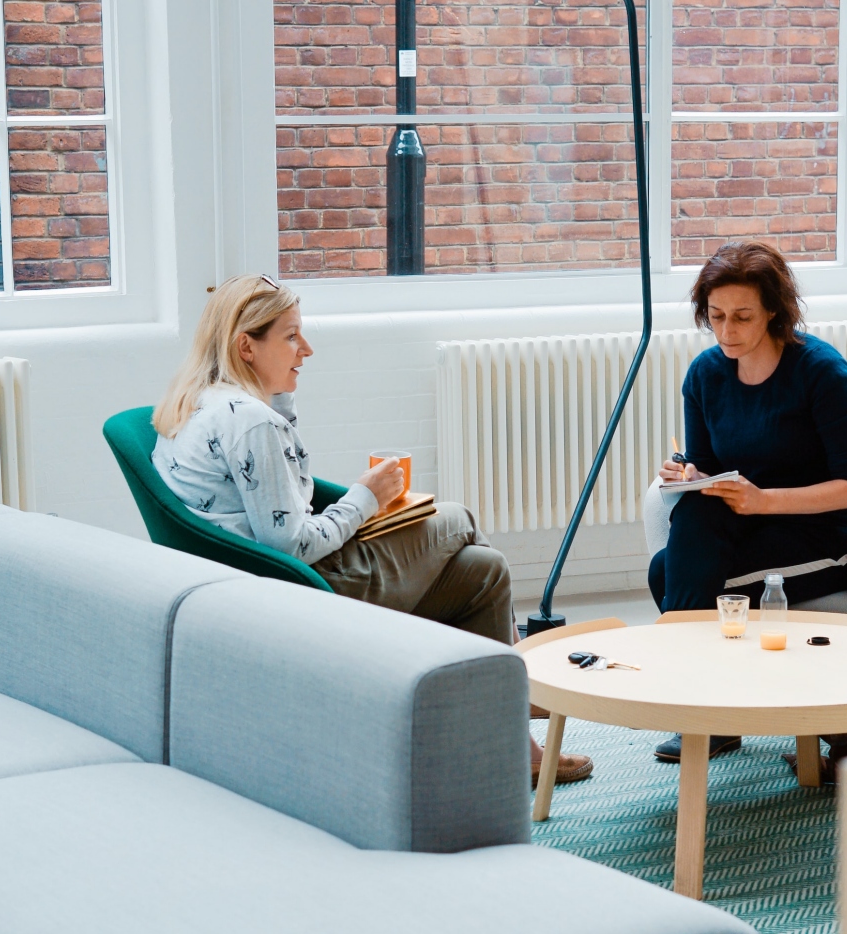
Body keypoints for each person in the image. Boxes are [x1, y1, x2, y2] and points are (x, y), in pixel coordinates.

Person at [152, 274, 592, 787]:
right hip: (307, 588)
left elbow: (280, 503)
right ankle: (523, 687)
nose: (307, 349)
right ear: (246, 345)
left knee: (485, 571)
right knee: (459, 518)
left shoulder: (208, 403)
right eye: (291, 336)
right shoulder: (253, 423)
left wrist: (287, 409)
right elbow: (289, 543)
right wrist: (366, 497)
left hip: (261, 585)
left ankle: (510, 742)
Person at [650, 242, 847, 776]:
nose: (726, 331)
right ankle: (710, 700)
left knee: (675, 576)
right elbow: (710, 471)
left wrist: (762, 501)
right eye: (715, 317)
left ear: (774, 310)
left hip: (824, 535)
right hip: (750, 529)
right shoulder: (706, 374)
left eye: (742, 317)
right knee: (675, 552)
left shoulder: (821, 371)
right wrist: (687, 475)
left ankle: (699, 698)